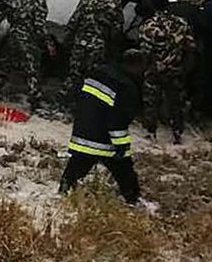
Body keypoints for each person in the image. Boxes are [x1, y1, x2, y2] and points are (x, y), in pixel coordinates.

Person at [59, 49, 147, 204]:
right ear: (136, 65)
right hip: (104, 139)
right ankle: (133, 200)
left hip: (82, 131)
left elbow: (76, 95)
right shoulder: (126, 86)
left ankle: (63, 191)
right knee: (124, 170)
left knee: (77, 165)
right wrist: (121, 146)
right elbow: (118, 120)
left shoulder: (99, 73)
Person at [61, 0, 127, 107]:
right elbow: (116, 28)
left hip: (86, 42)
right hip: (94, 44)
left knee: (77, 75)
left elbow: (76, 16)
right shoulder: (114, 0)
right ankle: (76, 104)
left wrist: (68, 36)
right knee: (83, 76)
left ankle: (68, 103)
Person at [138, 0, 195, 144]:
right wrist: (186, 67)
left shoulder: (149, 25)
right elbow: (190, 47)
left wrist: (147, 67)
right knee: (177, 102)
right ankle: (177, 133)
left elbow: (145, 51)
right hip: (176, 67)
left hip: (155, 69)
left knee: (151, 101)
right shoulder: (181, 23)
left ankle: (152, 132)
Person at [0, 0, 50, 111]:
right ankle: (35, 100)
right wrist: (46, 41)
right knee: (32, 70)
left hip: (13, 36)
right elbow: (39, 25)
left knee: (4, 67)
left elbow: (9, 14)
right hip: (27, 40)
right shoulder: (39, 1)